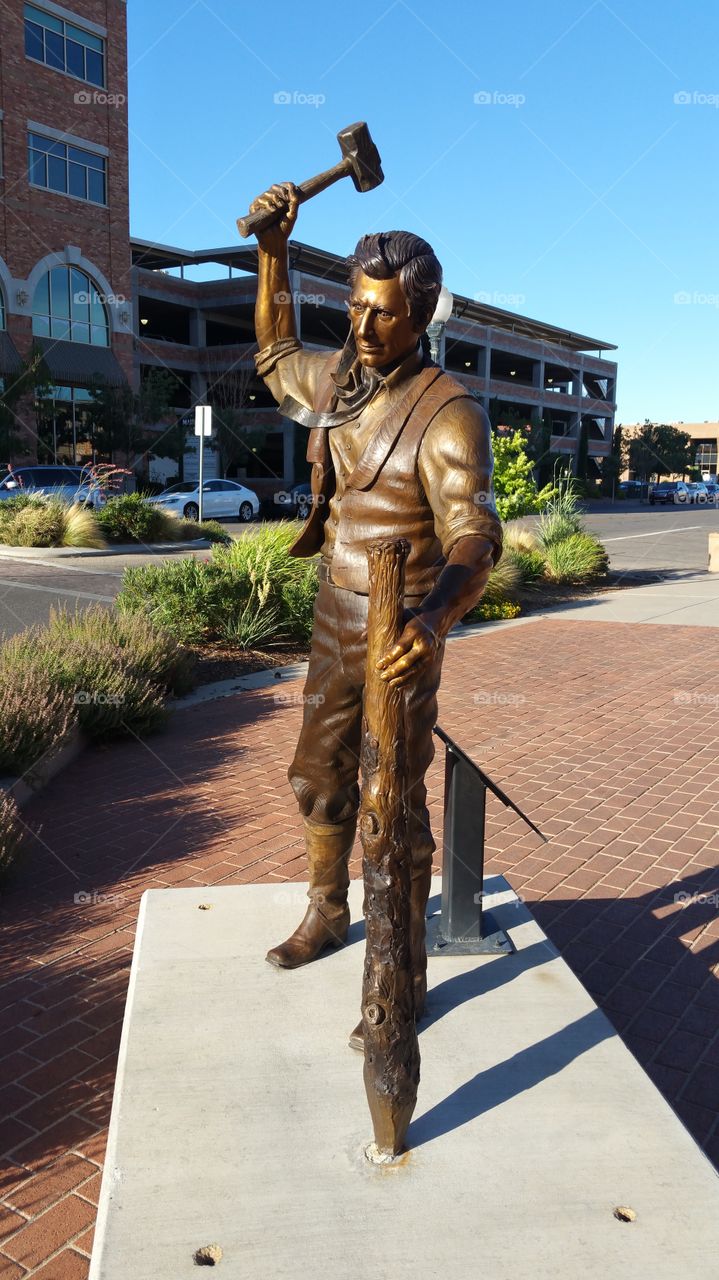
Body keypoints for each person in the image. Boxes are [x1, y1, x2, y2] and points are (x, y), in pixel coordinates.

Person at [250, 182, 503, 1045]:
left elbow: (476, 536)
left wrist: (430, 622)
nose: (361, 329)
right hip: (333, 612)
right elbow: (276, 350)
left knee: (391, 802)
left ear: (420, 315)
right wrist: (274, 252)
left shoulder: (448, 414)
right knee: (317, 776)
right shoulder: (343, 380)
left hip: (403, 624)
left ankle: (405, 968)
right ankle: (325, 909)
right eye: (355, 308)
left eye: (383, 316)